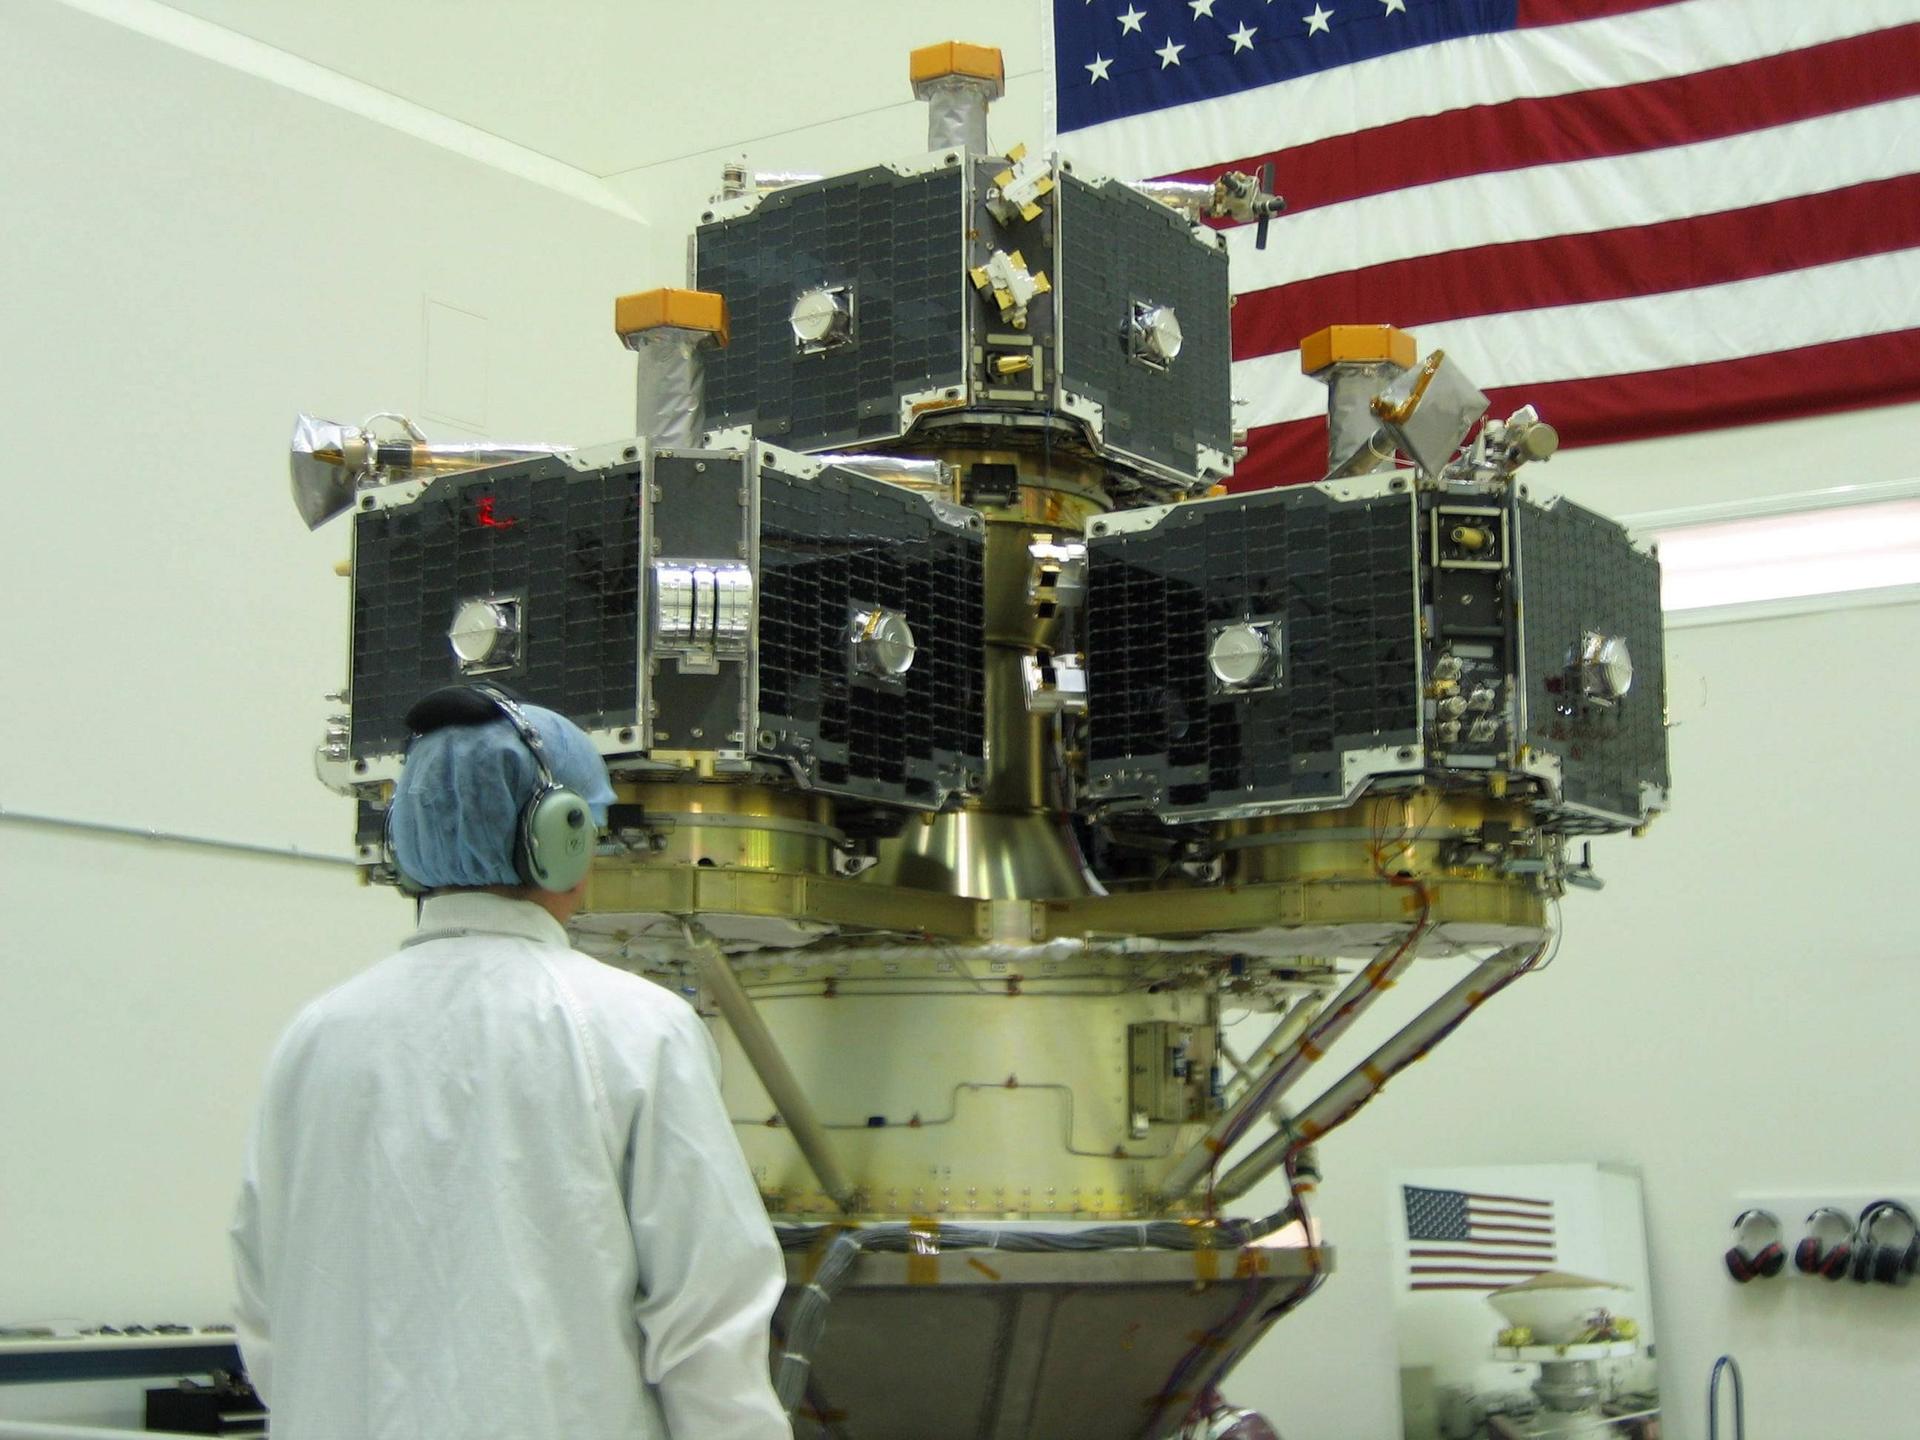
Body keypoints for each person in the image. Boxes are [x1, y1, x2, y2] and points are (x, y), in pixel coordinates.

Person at [229, 686, 791, 1440]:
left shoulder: (315, 1037)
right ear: (563, 839)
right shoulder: (638, 1030)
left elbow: (267, 1312)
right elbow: (709, 1330)